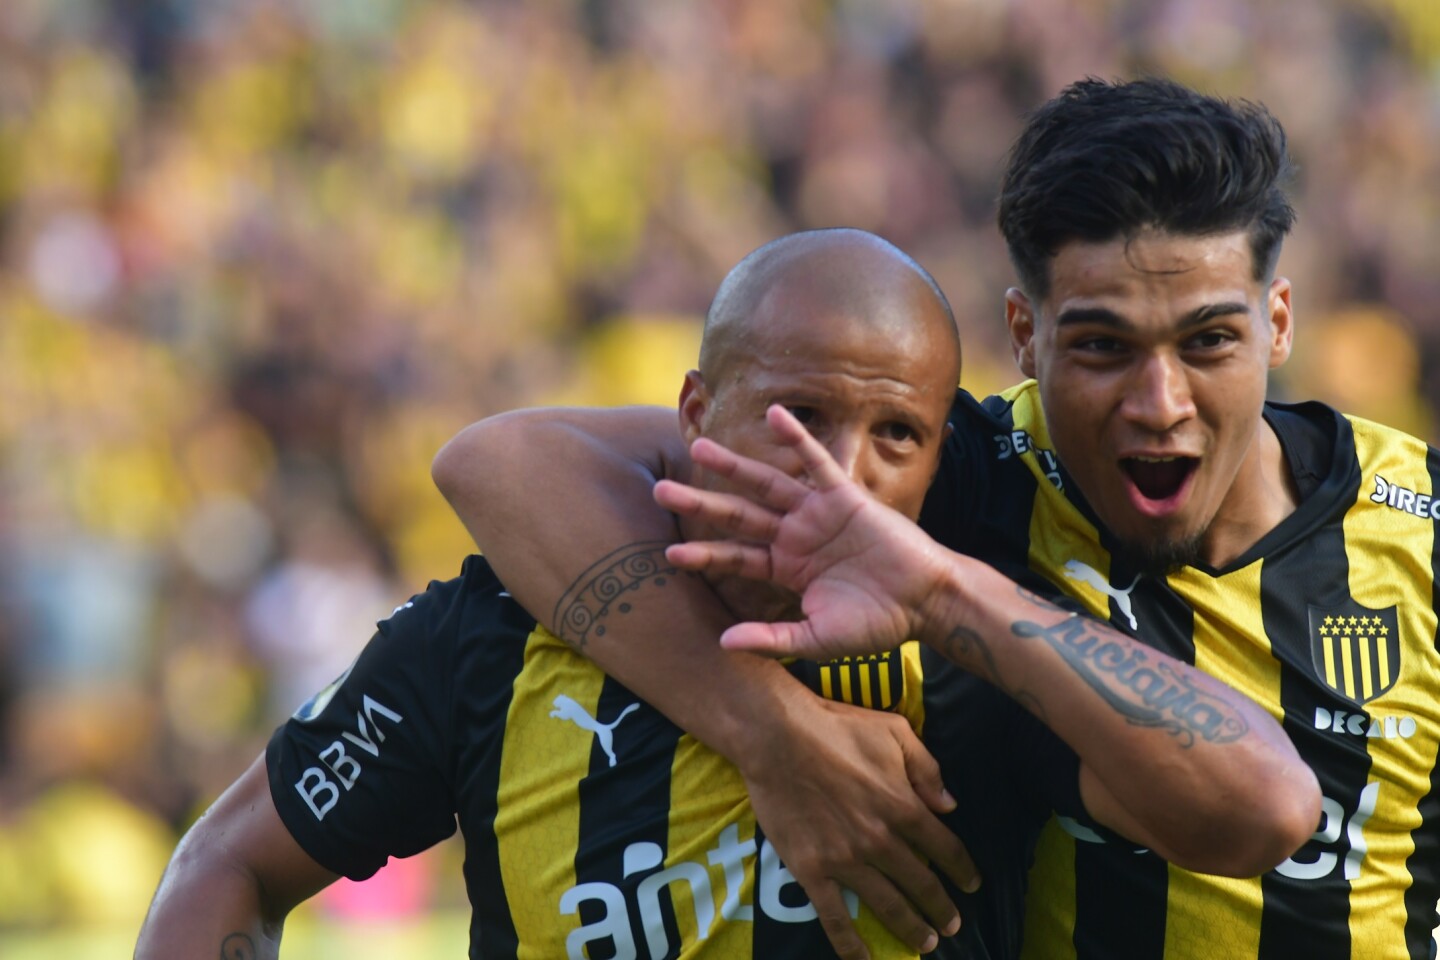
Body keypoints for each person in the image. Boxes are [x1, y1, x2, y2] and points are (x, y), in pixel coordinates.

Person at [433, 76, 1440, 960]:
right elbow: (504, 463)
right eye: (1101, 348)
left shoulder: (1424, 541)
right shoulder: (958, 469)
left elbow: (1263, 810)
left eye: (1211, 341)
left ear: (1278, 321)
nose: (1159, 402)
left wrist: (943, 586)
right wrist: (766, 728)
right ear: (1024, 336)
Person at [136, 228, 1309, 960]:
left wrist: (960, 600)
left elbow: (1259, 808)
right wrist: (772, 732)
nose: (839, 473)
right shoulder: (499, 628)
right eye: (797, 414)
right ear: (696, 416)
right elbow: (224, 866)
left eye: (897, 434)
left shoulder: (976, 646)